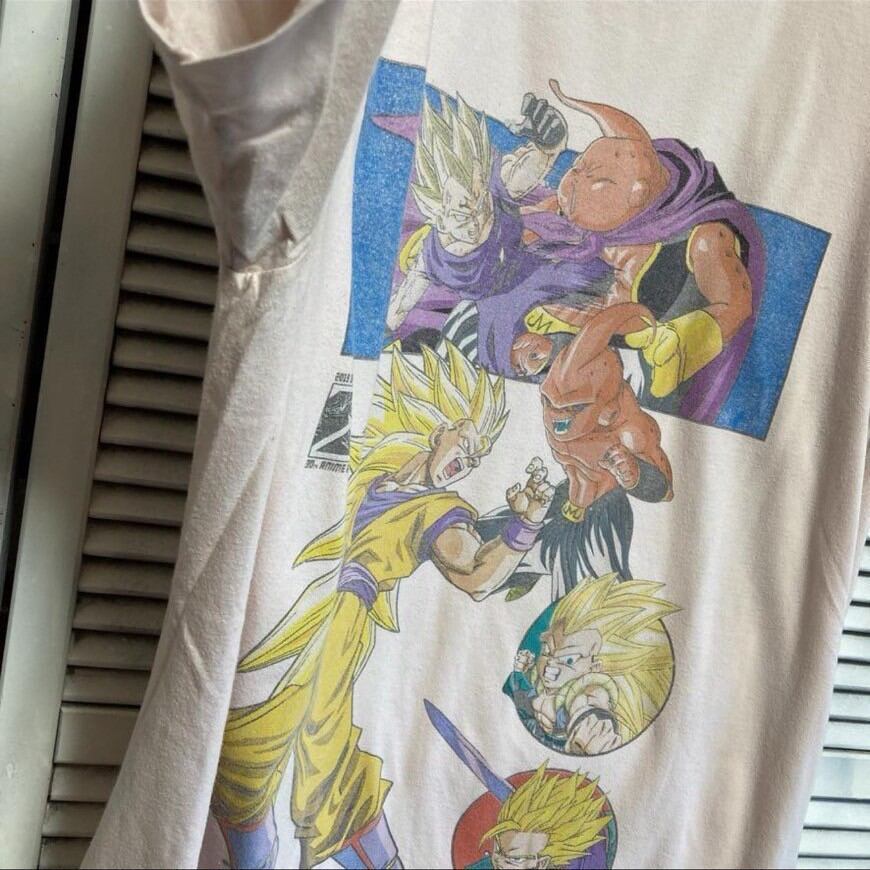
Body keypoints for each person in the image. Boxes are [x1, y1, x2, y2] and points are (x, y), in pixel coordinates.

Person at [211, 343, 553, 869]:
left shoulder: (437, 509)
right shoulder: (377, 464)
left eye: (476, 460)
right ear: (440, 430)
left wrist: (523, 525)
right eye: (466, 445)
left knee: (316, 748)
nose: (466, 463)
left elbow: (477, 575)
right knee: (252, 742)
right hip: (293, 604)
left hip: (339, 621)